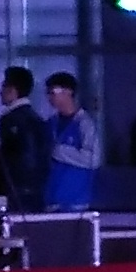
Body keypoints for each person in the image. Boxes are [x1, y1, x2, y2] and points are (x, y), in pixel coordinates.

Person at [0, 66, 53, 218]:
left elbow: (5, 158)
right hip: (34, 195)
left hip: (15, 196)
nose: (0, 92)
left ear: (12, 90)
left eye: (3, 86)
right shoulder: (35, 119)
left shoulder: (14, 121)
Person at [40, 70, 102, 211]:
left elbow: (93, 159)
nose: (50, 97)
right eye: (48, 93)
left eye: (53, 92)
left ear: (68, 92)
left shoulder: (84, 123)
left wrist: (59, 151)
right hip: (52, 200)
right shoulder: (51, 123)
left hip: (76, 202)